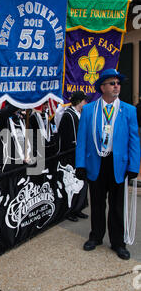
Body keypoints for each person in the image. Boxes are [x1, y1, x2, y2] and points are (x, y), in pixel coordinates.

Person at [75, 69, 141, 260]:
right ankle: (95, 237)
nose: (116, 86)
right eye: (112, 83)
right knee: (96, 203)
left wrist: (133, 167)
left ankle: (118, 243)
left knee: (117, 206)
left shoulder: (129, 110)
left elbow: (133, 141)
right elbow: (82, 140)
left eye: (118, 83)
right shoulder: (89, 110)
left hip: (117, 164)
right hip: (96, 163)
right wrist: (81, 164)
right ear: (102, 87)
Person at [59, 91, 88, 222]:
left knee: (82, 183)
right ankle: (70, 210)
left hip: (81, 154)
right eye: (84, 101)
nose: (86, 103)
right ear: (79, 101)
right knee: (73, 184)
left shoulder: (79, 114)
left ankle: (78, 208)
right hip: (72, 156)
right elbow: (68, 138)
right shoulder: (68, 115)